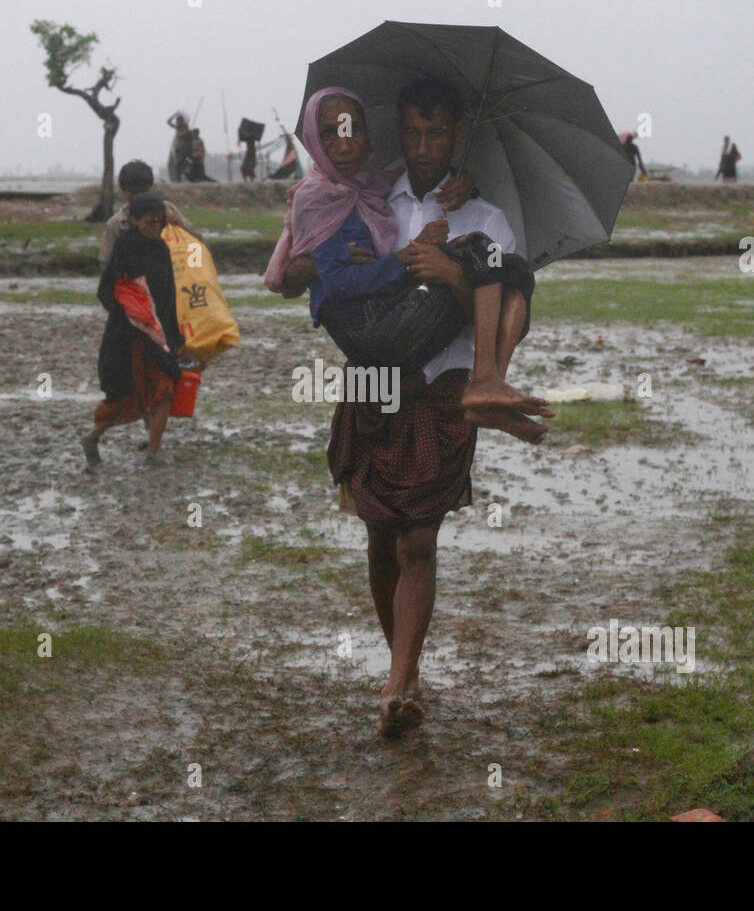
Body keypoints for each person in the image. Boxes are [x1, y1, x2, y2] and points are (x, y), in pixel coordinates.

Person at [267, 81, 551, 738]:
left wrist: (454, 275)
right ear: (400, 134)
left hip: (445, 382)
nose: (424, 148)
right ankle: (407, 669)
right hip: (373, 379)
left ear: (457, 136)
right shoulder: (366, 198)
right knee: (378, 535)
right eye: (414, 134)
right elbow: (307, 268)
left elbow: (515, 306)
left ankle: (398, 680)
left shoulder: (487, 218)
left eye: (437, 134)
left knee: (418, 535)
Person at [82, 193, 186, 466]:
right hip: (128, 338)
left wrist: (175, 336)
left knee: (164, 388)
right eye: (150, 222)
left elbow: (168, 295)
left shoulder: (161, 249)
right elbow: (107, 290)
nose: (156, 228)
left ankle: (153, 451)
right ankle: (94, 436)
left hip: (159, 337)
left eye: (160, 223)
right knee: (128, 394)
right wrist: (131, 311)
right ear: (136, 221)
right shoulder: (125, 249)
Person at [99, 160, 202, 269]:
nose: (139, 197)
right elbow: (105, 263)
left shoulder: (168, 210)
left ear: (150, 188)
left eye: (143, 192)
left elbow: (197, 242)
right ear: (123, 190)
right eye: (133, 193)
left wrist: (177, 223)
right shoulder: (116, 224)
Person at [167, 111, 192, 182]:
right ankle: (176, 180)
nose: (178, 122)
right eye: (177, 120)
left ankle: (180, 180)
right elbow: (168, 122)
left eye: (179, 120)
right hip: (176, 149)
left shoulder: (185, 128)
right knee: (173, 165)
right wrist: (174, 115)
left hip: (182, 150)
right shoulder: (178, 127)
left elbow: (184, 136)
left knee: (179, 166)